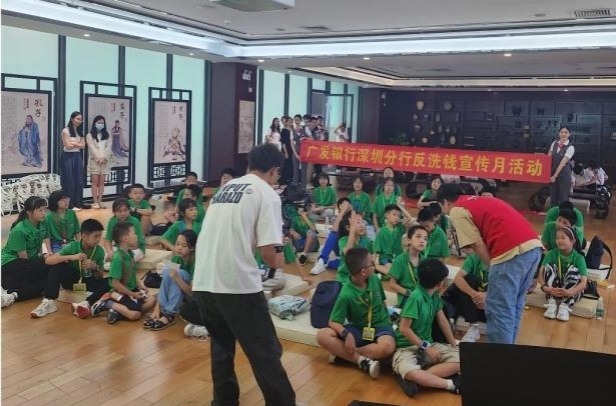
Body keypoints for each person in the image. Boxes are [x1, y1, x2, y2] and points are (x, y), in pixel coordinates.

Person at [191, 143, 297, 406]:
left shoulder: (225, 189)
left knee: (221, 347)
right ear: (274, 171)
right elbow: (269, 254)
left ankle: (223, 402)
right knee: (265, 351)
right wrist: (282, 256)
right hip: (236, 283)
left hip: (203, 280)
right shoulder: (267, 194)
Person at [436, 183, 543, 344]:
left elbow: (477, 244)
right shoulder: (478, 201)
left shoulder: (457, 210)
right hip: (533, 247)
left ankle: (497, 357)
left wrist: (493, 268)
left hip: (510, 251)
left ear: (444, 202)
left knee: (499, 309)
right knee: (514, 306)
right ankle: (507, 351)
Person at [316, 247, 396, 379]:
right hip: (358, 329)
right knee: (322, 335)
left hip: (381, 326)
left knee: (387, 347)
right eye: (372, 263)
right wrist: (347, 335)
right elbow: (333, 321)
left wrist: (390, 319)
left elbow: (383, 301)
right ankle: (362, 360)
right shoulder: (346, 294)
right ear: (363, 271)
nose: (374, 265)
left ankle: (346, 356)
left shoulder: (374, 279)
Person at [393, 258, 461, 398]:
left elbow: (443, 321)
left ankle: (417, 380)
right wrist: (426, 347)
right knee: (410, 370)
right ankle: (449, 384)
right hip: (406, 347)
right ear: (440, 283)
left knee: (463, 360)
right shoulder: (416, 298)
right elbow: (404, 329)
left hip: (428, 345)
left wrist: (453, 345)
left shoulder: (434, 296)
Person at [91, 222, 156, 324]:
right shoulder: (118, 258)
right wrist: (133, 294)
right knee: (135, 314)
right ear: (125, 238)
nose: (137, 236)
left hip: (131, 290)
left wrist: (141, 286)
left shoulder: (129, 253)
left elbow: (132, 273)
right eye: (134, 233)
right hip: (119, 292)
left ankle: (117, 312)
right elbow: (115, 283)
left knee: (152, 300)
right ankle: (107, 302)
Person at [43, 219, 108, 319]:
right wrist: (71, 257)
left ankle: (87, 303)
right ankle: (49, 301)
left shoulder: (100, 251)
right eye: (95, 236)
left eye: (100, 236)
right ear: (84, 236)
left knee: (111, 281)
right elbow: (48, 261)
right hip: (73, 280)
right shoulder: (73, 246)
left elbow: (100, 276)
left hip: (89, 282)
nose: (98, 239)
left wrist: (95, 267)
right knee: (57, 266)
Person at [1, 197, 50, 308]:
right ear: (29, 212)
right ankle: (6, 286)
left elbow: (38, 249)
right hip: (8, 263)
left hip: (27, 263)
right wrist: (42, 262)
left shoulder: (43, 222)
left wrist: (43, 257)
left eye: (45, 209)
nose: (44, 213)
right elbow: (24, 259)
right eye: (40, 210)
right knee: (44, 269)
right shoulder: (19, 230)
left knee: (47, 280)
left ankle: (15, 295)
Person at [145, 230, 197, 331]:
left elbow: (191, 293)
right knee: (168, 270)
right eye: (177, 244)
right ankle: (161, 311)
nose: (179, 248)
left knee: (179, 273)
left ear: (192, 248)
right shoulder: (177, 258)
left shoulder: (196, 262)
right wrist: (156, 309)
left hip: (194, 298)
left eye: (184, 245)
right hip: (182, 294)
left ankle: (169, 314)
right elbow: (164, 285)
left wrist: (177, 278)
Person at [538, 226, 588, 322]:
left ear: (573, 241)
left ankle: (565, 306)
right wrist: (544, 287)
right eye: (557, 238)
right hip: (554, 290)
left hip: (572, 292)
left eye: (563, 238)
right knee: (548, 267)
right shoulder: (551, 253)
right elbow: (541, 272)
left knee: (573, 270)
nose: (559, 241)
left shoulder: (579, 258)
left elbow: (583, 283)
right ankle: (552, 303)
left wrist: (570, 293)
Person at [449, 254, 489, 342]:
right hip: (472, 305)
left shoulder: (502, 261)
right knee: (467, 279)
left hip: (490, 307)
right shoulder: (474, 257)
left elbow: (507, 290)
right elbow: (457, 278)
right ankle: (473, 326)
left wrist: (486, 297)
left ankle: (453, 318)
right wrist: (475, 296)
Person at [310, 197, 352, 275]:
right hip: (340, 246)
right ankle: (322, 261)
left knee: (350, 266)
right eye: (342, 205)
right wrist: (342, 212)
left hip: (352, 246)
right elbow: (334, 230)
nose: (345, 206)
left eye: (347, 204)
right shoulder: (338, 217)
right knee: (333, 234)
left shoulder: (354, 215)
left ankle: (330, 262)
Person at [388, 225, 428, 307]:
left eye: (425, 239)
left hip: (421, 296)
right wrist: (409, 293)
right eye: (418, 237)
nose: (422, 241)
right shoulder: (400, 260)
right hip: (407, 298)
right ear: (409, 240)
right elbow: (392, 284)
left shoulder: (424, 260)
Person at [103, 198, 146, 263]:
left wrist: (121, 253)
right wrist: (110, 252)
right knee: (103, 256)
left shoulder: (135, 222)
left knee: (124, 260)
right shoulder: (112, 221)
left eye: (125, 210)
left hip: (135, 249)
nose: (123, 213)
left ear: (129, 210)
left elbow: (136, 244)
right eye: (119, 211)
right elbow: (108, 240)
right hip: (119, 248)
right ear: (114, 212)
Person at [336, 211, 375, 283]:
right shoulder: (343, 240)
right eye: (357, 222)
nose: (362, 225)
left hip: (363, 276)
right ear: (348, 227)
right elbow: (349, 252)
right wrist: (352, 229)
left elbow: (372, 257)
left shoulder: (367, 241)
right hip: (345, 277)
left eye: (362, 222)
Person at [60, 111, 86, 210]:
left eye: (81, 119)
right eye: (77, 119)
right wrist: (77, 144)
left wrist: (73, 144)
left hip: (77, 156)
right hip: (67, 157)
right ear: (72, 119)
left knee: (79, 180)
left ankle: (77, 203)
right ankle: (69, 205)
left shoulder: (80, 131)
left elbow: (83, 146)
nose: (79, 121)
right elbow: (67, 146)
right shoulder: (65, 131)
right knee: (69, 181)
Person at [86, 115, 113, 209]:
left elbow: (109, 148)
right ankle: (95, 202)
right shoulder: (89, 135)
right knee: (94, 182)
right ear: (94, 123)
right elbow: (92, 148)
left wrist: (104, 158)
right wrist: (99, 158)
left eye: (102, 123)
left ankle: (100, 201)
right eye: (99, 122)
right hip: (95, 161)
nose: (100, 124)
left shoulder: (107, 135)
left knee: (102, 182)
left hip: (104, 162)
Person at [374, 204, 405, 276]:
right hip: (386, 258)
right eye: (394, 214)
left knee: (403, 271)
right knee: (393, 271)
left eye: (398, 216)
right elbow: (376, 250)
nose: (396, 217)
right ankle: (378, 268)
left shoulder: (399, 228)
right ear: (386, 215)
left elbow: (410, 220)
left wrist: (402, 208)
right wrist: (376, 262)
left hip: (398, 257)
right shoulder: (381, 232)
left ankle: (383, 272)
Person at [548, 125, 575, 207]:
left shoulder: (571, 147)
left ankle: (563, 214)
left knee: (563, 197)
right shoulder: (554, 143)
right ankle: (553, 214)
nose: (563, 134)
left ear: (569, 134)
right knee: (553, 197)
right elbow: (549, 155)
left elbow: (562, 163)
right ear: (558, 133)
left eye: (566, 132)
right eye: (562, 132)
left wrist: (555, 176)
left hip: (564, 174)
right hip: (553, 173)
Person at [279, 116, 294, 184]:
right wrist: (285, 152)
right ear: (286, 122)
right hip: (286, 149)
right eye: (289, 121)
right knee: (286, 165)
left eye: (291, 121)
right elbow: (283, 143)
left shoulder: (292, 130)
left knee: (291, 165)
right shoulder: (284, 130)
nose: (290, 123)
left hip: (291, 149)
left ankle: (290, 179)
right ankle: (283, 180)